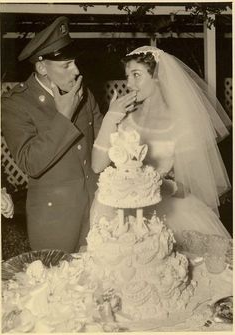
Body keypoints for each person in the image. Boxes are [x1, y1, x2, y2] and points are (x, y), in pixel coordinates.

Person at [90, 45, 232, 247]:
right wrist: (110, 119)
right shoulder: (125, 118)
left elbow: (187, 186)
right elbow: (97, 165)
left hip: (171, 209)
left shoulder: (181, 124)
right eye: (127, 76)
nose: (128, 82)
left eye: (136, 75)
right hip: (123, 211)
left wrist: (146, 184)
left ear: (157, 77)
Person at [1, 16, 106, 253]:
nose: (76, 71)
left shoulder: (83, 93)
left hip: (97, 209)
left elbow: (102, 142)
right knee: (58, 285)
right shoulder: (16, 103)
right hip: (55, 218)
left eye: (74, 62)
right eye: (66, 65)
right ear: (41, 67)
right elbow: (30, 162)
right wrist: (63, 117)